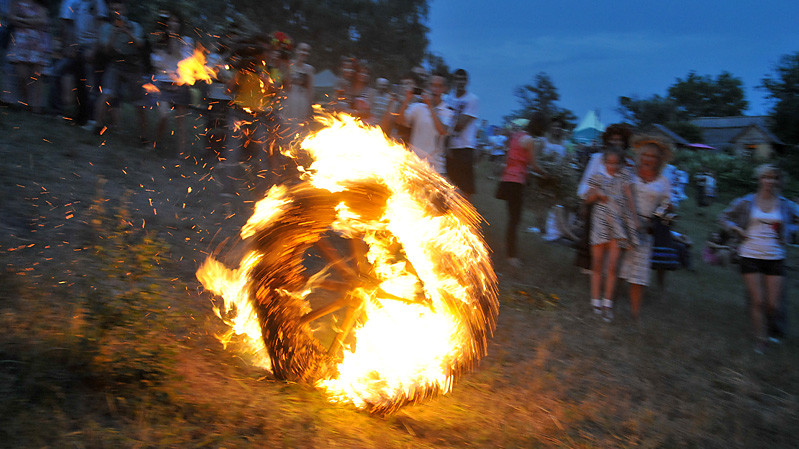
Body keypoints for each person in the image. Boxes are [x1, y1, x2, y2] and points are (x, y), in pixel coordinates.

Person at [719, 164, 799, 353]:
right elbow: (723, 217)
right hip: (750, 255)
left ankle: (768, 330)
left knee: (773, 304)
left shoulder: (785, 204)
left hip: (775, 257)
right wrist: (736, 228)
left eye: (773, 178)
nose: (769, 181)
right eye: (766, 177)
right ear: (759, 179)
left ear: (778, 182)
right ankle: (760, 339)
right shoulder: (747, 201)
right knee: (758, 301)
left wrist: (790, 232)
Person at [619, 136, 673, 320]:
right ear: (639, 156)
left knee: (638, 274)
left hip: (646, 228)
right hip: (622, 223)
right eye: (645, 155)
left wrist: (655, 218)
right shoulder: (629, 173)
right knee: (615, 266)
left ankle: (634, 313)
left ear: (659, 160)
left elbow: (667, 205)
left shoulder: (663, 181)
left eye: (653, 156)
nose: (648, 159)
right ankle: (606, 304)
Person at [585, 147, 639, 321]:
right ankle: (595, 300)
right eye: (609, 162)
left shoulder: (625, 178)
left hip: (618, 224)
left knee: (613, 266)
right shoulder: (598, 178)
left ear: (622, 164)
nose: (612, 166)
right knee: (597, 263)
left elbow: (630, 200)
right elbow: (587, 198)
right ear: (604, 162)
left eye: (616, 163)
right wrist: (597, 194)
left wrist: (635, 220)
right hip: (600, 223)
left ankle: (607, 303)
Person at [574, 123, 633, 272]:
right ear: (607, 141)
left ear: (625, 143)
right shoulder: (597, 158)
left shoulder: (628, 163)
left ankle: (607, 268)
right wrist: (586, 200)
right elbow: (586, 182)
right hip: (596, 201)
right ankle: (587, 266)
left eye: (620, 140)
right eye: (613, 140)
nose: (616, 143)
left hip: (617, 207)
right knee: (592, 232)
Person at [494, 111, 546, 268]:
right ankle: (511, 256)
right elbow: (534, 164)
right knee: (514, 220)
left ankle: (510, 252)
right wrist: (547, 174)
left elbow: (510, 157)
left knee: (512, 218)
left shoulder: (517, 135)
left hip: (507, 179)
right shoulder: (530, 141)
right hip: (516, 182)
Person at [92, 0, 144, 134]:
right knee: (106, 93)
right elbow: (106, 50)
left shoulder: (135, 26)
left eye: (118, 9)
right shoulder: (106, 28)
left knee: (139, 102)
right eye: (113, 9)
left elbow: (140, 45)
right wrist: (114, 33)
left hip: (133, 66)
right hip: (116, 64)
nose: (116, 12)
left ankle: (143, 136)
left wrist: (126, 31)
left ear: (124, 10)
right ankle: (97, 126)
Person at [52, 0, 107, 124]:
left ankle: (89, 117)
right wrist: (70, 46)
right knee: (73, 79)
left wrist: (94, 49)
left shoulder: (98, 3)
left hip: (90, 46)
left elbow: (102, 27)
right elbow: (68, 26)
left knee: (88, 83)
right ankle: (66, 113)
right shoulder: (74, 2)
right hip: (77, 47)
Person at [146, 9, 193, 153]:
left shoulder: (187, 41)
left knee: (180, 121)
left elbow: (186, 61)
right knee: (164, 115)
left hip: (181, 84)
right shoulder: (159, 40)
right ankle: (156, 144)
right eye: (170, 21)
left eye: (176, 21)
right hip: (163, 83)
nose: (173, 23)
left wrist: (175, 41)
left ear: (180, 24)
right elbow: (156, 63)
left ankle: (182, 153)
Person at [396, 72, 452, 174]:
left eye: (439, 86)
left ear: (444, 89)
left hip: (435, 166)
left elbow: (443, 130)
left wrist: (430, 106)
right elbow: (400, 121)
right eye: (433, 85)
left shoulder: (448, 111)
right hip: (414, 162)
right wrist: (406, 100)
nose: (435, 89)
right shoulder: (418, 107)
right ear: (428, 86)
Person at [6, 0, 50, 113]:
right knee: (22, 76)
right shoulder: (16, 2)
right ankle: (25, 102)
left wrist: (22, 20)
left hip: (37, 43)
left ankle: (36, 107)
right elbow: (11, 18)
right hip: (21, 43)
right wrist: (30, 22)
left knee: (36, 77)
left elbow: (42, 20)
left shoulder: (40, 4)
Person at [444, 68, 479, 198]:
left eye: (463, 79)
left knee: (465, 187)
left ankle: (465, 216)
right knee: (450, 183)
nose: (460, 82)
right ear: (453, 81)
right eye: (457, 79)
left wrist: (448, 119)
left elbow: (460, 125)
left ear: (467, 81)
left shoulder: (472, 99)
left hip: (465, 147)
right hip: (450, 146)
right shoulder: (448, 98)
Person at [281, 41, 314, 123]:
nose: (304, 53)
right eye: (302, 50)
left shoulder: (309, 69)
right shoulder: (289, 65)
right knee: (287, 124)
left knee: (300, 124)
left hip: (302, 100)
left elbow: (310, 90)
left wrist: (310, 106)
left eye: (306, 51)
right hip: (289, 99)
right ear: (296, 50)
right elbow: (283, 84)